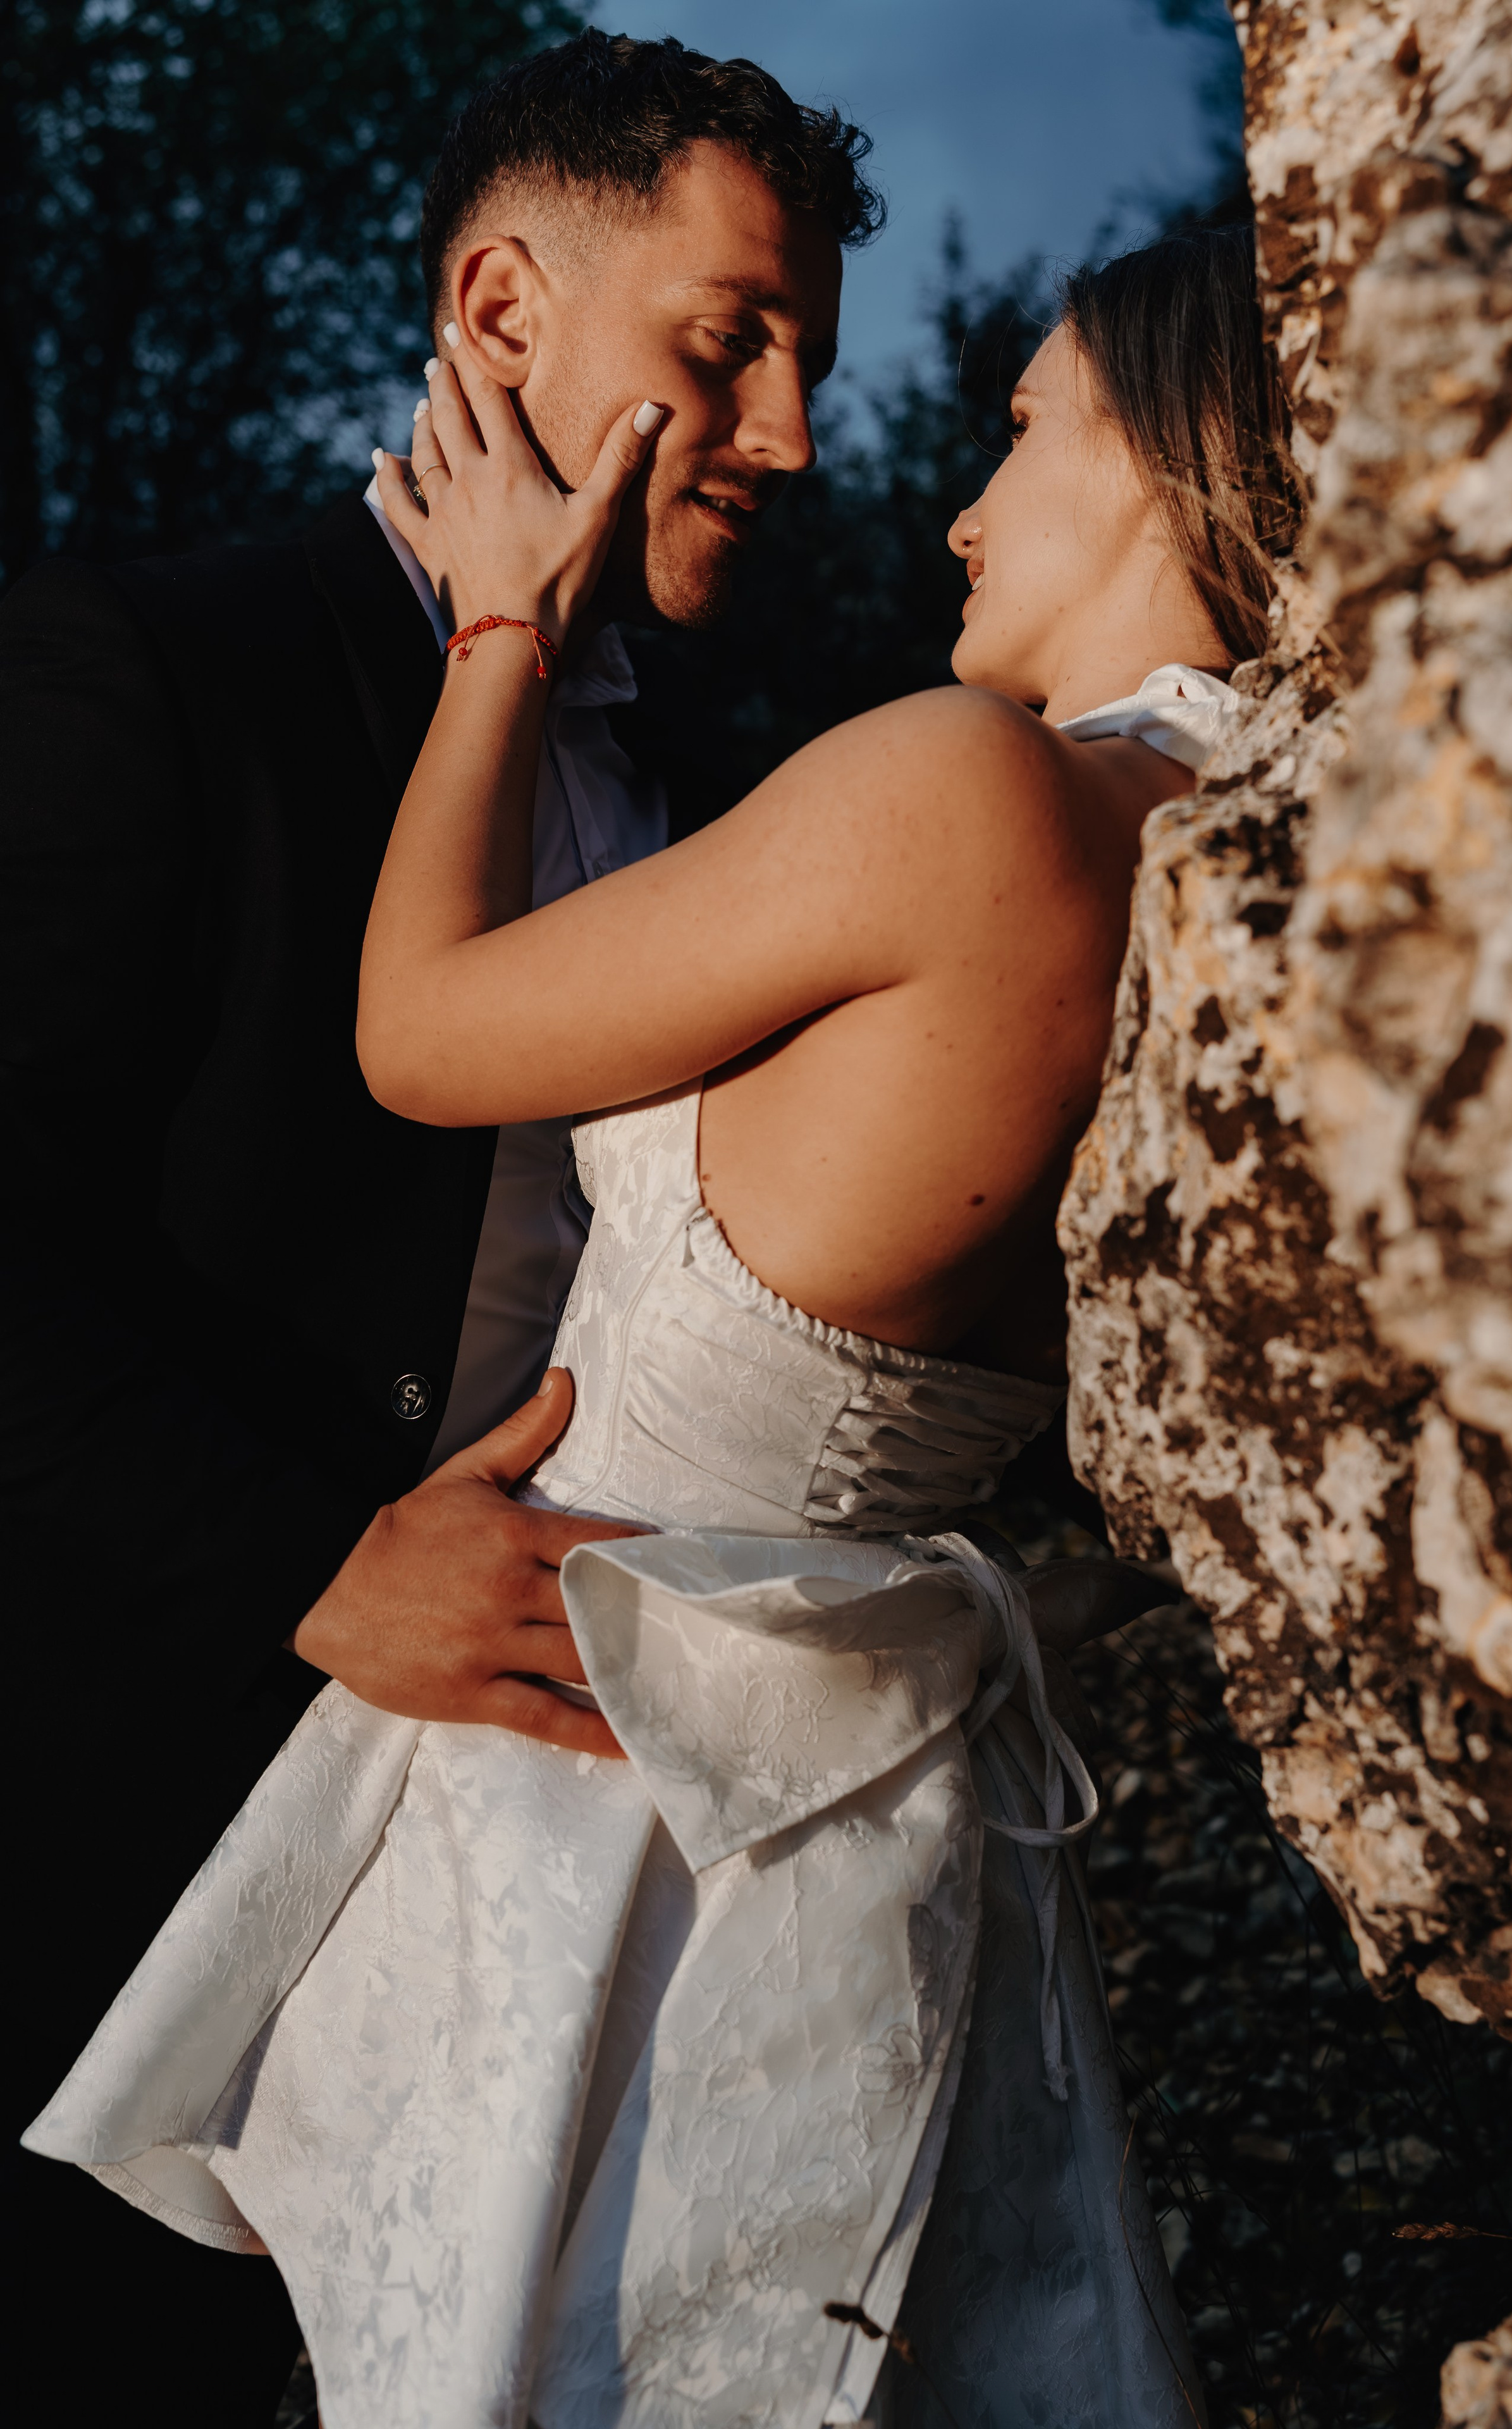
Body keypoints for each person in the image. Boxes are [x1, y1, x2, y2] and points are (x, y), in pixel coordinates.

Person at [27, 225, 1300, 2426]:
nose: (953, 507)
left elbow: (421, 1032)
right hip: (872, 1799)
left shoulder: (960, 789)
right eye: (736, 347)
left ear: (1173, 456)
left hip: (597, 1811)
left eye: (1020, 430)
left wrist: (500, 631)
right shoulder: (1255, 883)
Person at [1, 33, 881, 2425]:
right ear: (500, 314)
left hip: (545, 1910)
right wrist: (309, 1561)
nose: (793, 435)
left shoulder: (720, 794)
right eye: (731, 342)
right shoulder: (150, 666)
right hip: (113, 1867)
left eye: (809, 362)